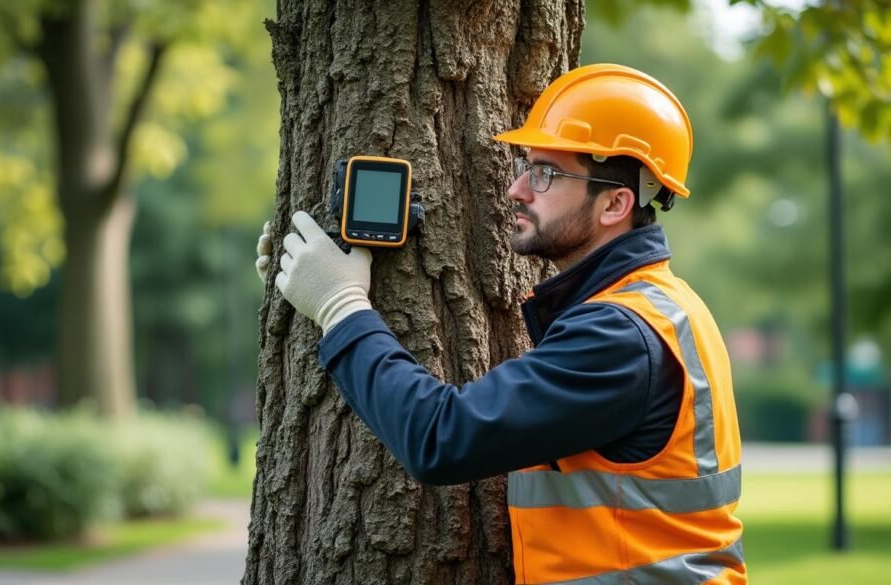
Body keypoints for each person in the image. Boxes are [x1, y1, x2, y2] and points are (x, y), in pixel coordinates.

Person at [256, 64, 746, 584]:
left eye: (546, 174)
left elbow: (441, 438)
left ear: (615, 204)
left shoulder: (620, 336)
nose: (516, 189)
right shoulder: (663, 306)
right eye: (526, 167)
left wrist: (340, 306)